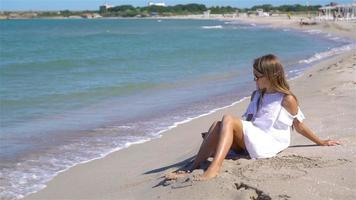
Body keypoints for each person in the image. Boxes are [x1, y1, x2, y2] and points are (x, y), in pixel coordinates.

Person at [166, 54, 340, 181]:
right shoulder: (256, 95)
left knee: (227, 118)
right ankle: (192, 167)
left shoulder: (287, 99)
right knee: (217, 125)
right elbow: (249, 122)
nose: (254, 79)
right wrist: (222, 135)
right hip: (253, 137)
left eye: (257, 76)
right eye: (254, 76)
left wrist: (321, 142)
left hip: (269, 142)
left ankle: (214, 168)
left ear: (271, 76)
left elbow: (299, 125)